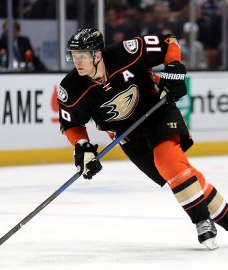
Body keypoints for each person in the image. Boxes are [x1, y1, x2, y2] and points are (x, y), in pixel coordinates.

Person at [57, 28, 228, 250]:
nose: (76, 61)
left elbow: (169, 42)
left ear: (97, 54)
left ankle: (202, 222)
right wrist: (82, 147)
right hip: (128, 137)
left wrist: (173, 68)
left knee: (168, 161)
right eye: (73, 55)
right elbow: (71, 123)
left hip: (157, 111)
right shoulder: (71, 88)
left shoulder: (126, 53)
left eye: (82, 56)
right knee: (182, 177)